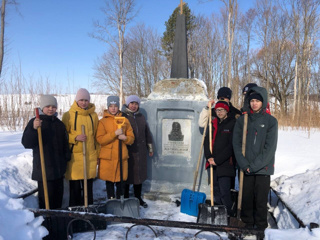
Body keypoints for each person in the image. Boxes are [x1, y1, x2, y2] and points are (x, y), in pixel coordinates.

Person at [232, 86, 278, 230]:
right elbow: (236, 144)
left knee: (260, 200)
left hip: (263, 169)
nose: (254, 103)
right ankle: (247, 224)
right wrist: (244, 164)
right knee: (246, 198)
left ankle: (260, 227)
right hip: (245, 167)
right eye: (252, 100)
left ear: (263, 102)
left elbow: (269, 149)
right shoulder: (243, 120)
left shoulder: (271, 122)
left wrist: (253, 166)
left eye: (257, 101)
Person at [21, 95, 71, 209]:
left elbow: (65, 143)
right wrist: (34, 129)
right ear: (42, 107)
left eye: (53, 106)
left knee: (58, 199)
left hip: (58, 170)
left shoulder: (59, 124)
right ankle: (46, 222)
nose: (50, 109)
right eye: (47, 106)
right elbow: (26, 143)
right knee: (46, 200)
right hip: (44, 170)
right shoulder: (36, 122)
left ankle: (58, 220)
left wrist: (66, 157)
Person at [62, 88, 99, 207]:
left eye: (86, 100)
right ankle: (75, 214)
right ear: (77, 100)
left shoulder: (93, 116)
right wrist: (75, 137)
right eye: (81, 100)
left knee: (89, 189)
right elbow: (63, 136)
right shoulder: (68, 115)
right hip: (75, 157)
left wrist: (98, 154)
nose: (84, 103)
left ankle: (89, 213)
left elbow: (96, 137)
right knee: (75, 190)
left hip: (90, 156)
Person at [96, 96, 134, 199]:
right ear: (108, 107)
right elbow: (100, 139)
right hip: (108, 159)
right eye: (111, 106)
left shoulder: (125, 121)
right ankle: (111, 200)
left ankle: (120, 200)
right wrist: (114, 134)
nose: (113, 108)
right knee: (109, 183)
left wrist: (125, 138)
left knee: (121, 182)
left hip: (121, 157)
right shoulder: (102, 122)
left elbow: (132, 138)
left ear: (118, 107)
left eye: (115, 106)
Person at [203, 100, 236, 216]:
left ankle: (228, 215)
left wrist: (217, 160)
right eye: (217, 110)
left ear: (226, 110)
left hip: (225, 164)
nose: (219, 112)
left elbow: (231, 146)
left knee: (224, 192)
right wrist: (209, 157)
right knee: (215, 190)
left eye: (222, 110)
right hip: (212, 163)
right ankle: (218, 215)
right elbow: (206, 142)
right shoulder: (213, 123)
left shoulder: (232, 124)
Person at [122, 95, 153, 208]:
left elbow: (147, 133)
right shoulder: (123, 116)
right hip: (127, 151)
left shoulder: (141, 117)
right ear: (128, 104)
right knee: (127, 175)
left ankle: (137, 197)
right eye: (132, 103)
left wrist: (150, 148)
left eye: (136, 104)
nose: (134, 106)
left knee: (138, 175)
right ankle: (125, 198)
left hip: (140, 152)